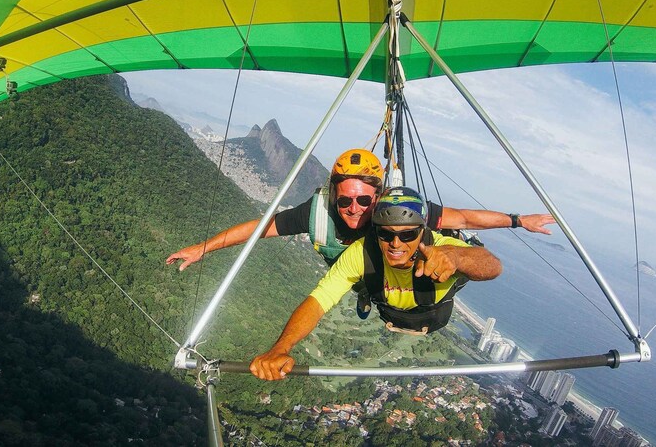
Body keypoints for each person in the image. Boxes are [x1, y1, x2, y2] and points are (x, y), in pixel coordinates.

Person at [249, 186, 502, 381]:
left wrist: (457, 257)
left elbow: (492, 266)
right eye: (386, 234)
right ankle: (365, 293)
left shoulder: (440, 251)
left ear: (422, 231)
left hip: (433, 315)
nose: (396, 244)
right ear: (376, 231)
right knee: (363, 280)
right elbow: (319, 299)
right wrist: (281, 347)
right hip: (389, 310)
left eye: (407, 234)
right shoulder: (362, 252)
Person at [165, 148, 554, 272]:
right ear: (334, 194)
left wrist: (519, 220)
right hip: (357, 274)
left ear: (378, 197)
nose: (353, 208)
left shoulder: (396, 211)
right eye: (345, 199)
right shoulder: (316, 212)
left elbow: (465, 218)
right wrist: (204, 248)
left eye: (364, 200)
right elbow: (259, 227)